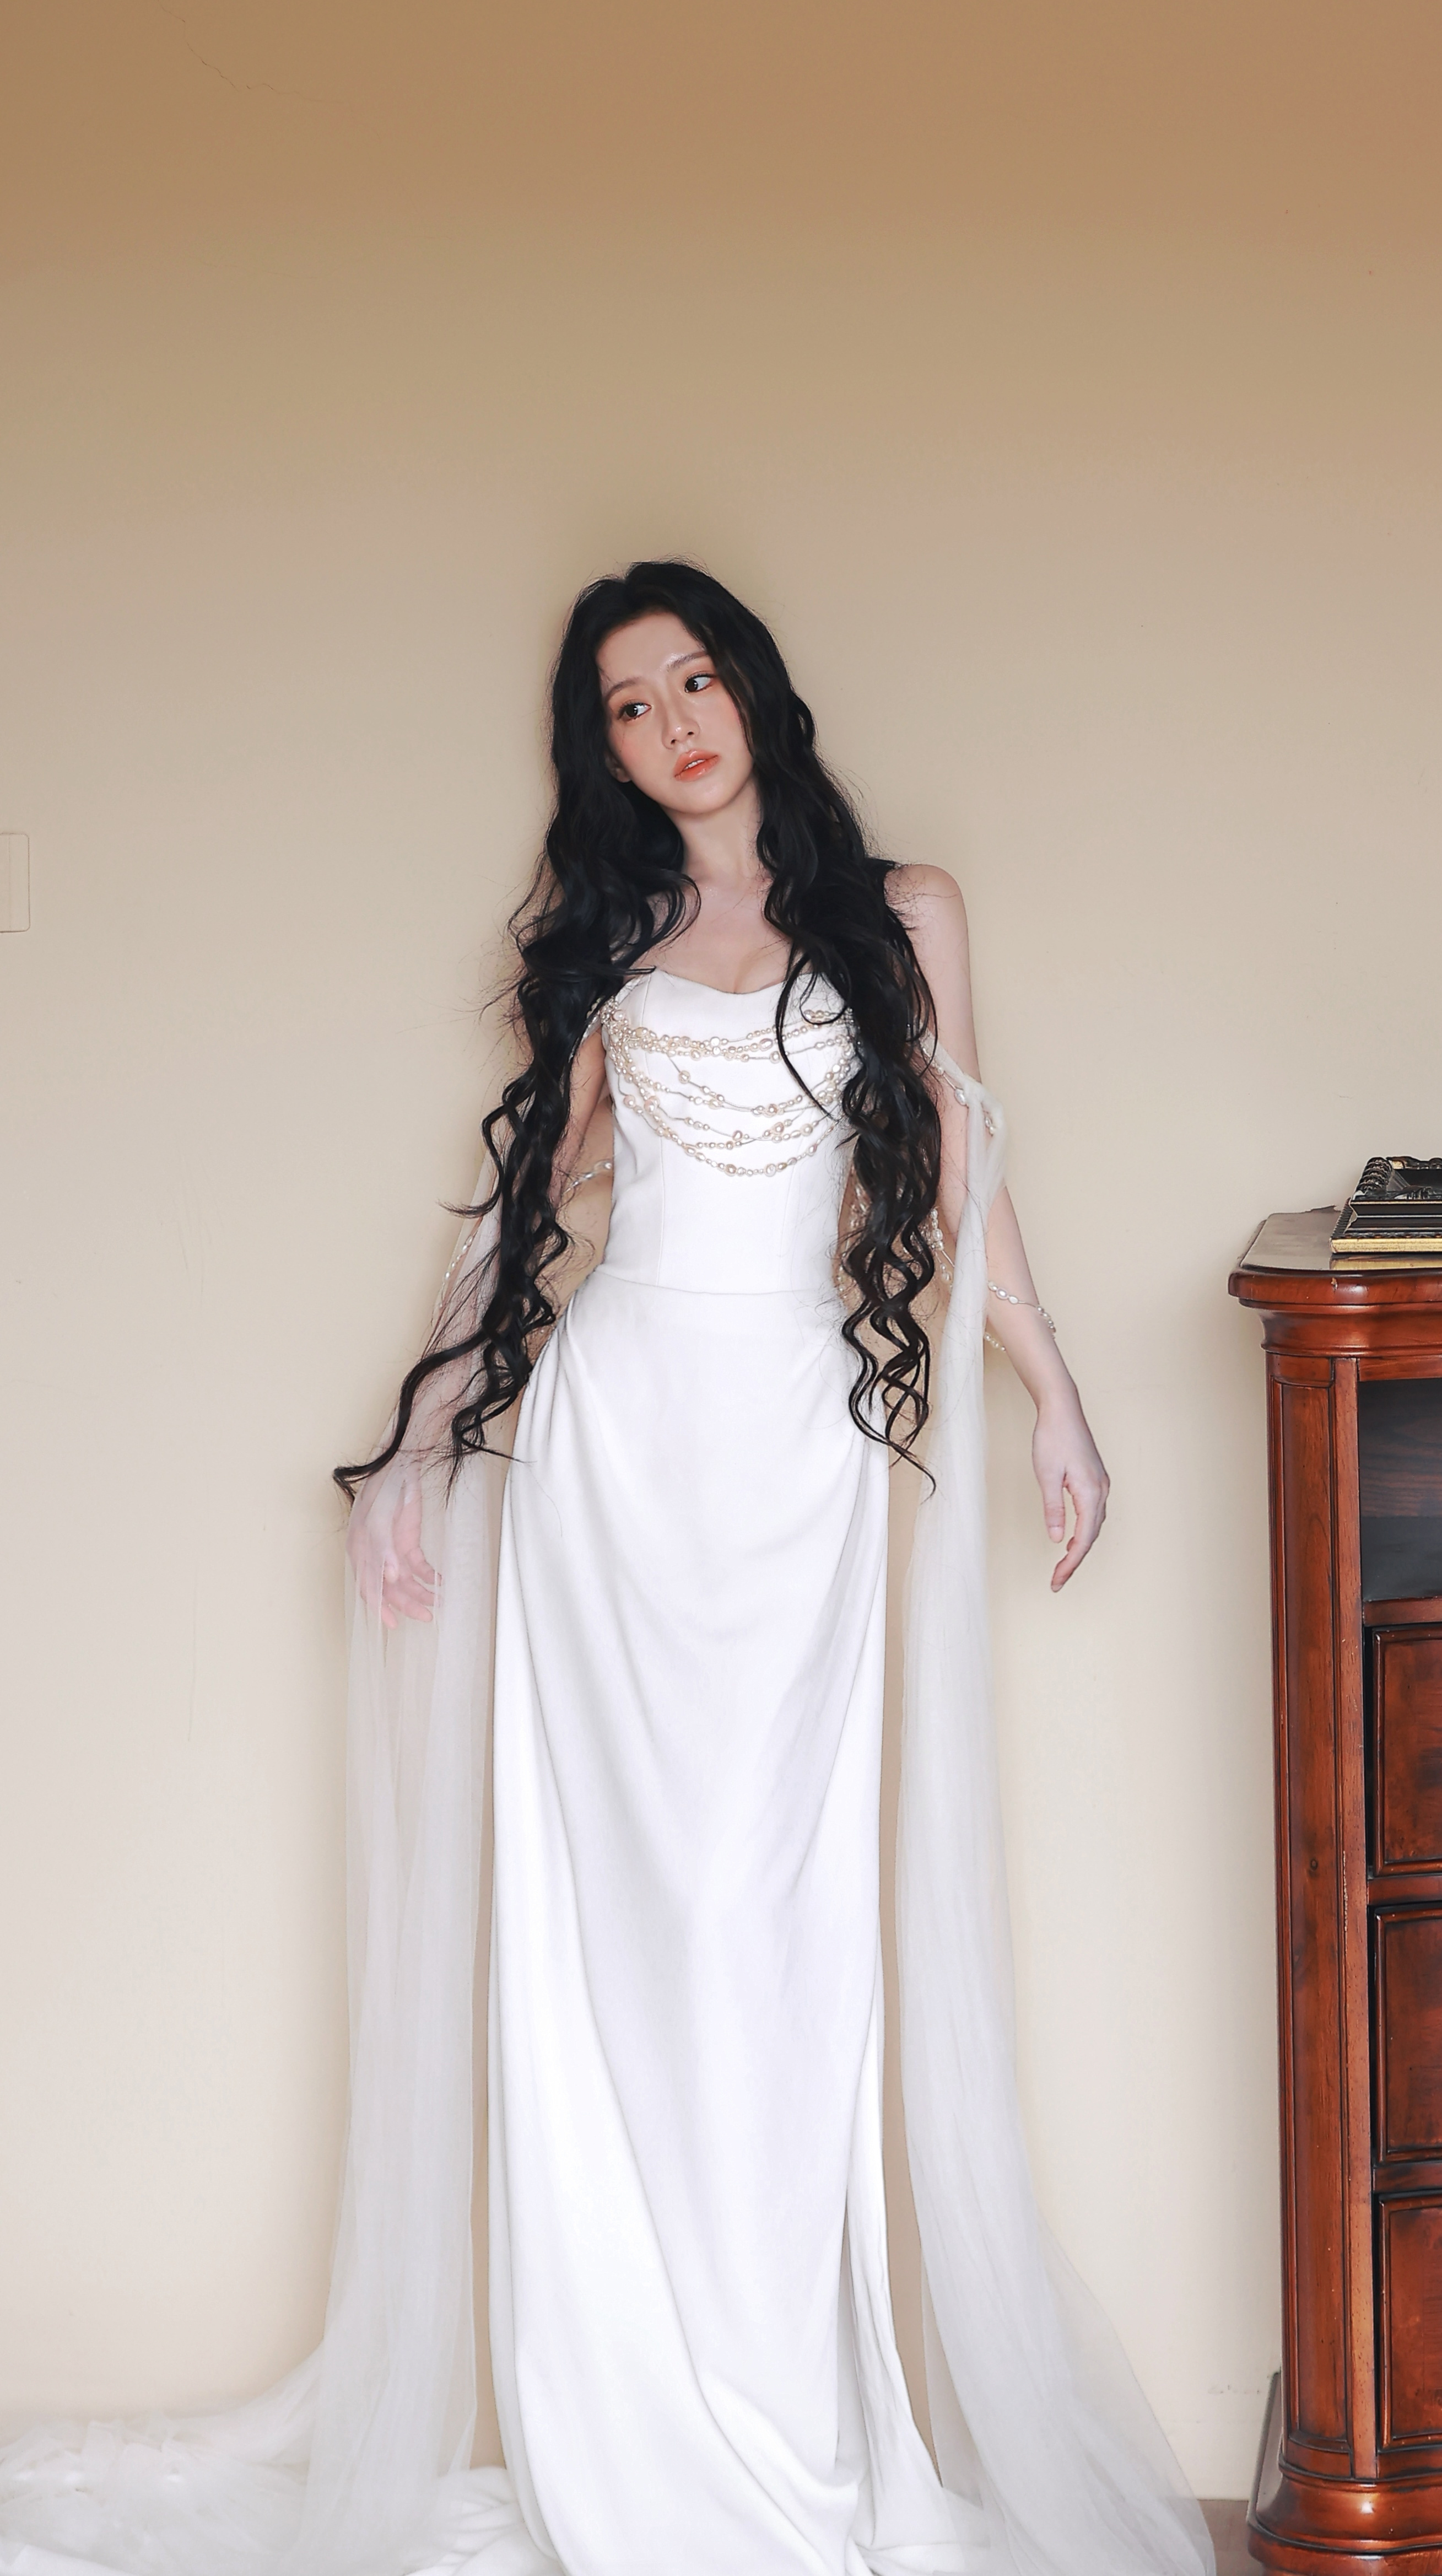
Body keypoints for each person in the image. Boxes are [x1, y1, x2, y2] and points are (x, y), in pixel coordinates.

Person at [0, 563, 1211, 2576]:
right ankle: (626, 2427)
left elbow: (965, 1180)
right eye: (632, 708)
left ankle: (779, 2416)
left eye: (694, 681)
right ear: (609, 753)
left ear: (754, 689)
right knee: (611, 1936)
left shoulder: (905, 913)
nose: (673, 727)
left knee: (774, 1932)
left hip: (798, 1466)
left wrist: (1057, 1396)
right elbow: (521, 1206)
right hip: (613, 1457)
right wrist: (411, 1437)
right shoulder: (612, 938)